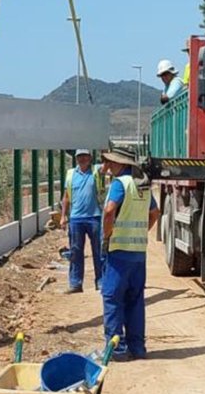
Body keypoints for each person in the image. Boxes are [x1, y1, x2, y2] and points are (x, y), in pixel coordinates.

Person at [99, 147, 160, 360]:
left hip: (118, 253)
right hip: (138, 254)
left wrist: (108, 234)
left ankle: (117, 350)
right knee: (135, 300)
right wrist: (142, 231)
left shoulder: (120, 184)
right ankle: (137, 348)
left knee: (112, 298)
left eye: (110, 162)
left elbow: (109, 210)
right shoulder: (142, 186)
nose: (107, 167)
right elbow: (155, 212)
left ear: (121, 164)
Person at [62, 148, 106, 294]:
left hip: (95, 217)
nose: (82, 159)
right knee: (75, 251)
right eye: (80, 156)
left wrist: (104, 149)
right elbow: (66, 197)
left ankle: (101, 281)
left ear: (90, 157)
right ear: (76, 158)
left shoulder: (96, 171)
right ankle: (75, 283)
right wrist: (63, 216)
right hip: (76, 219)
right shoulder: (70, 174)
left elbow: (108, 165)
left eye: (85, 156)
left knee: (99, 251)